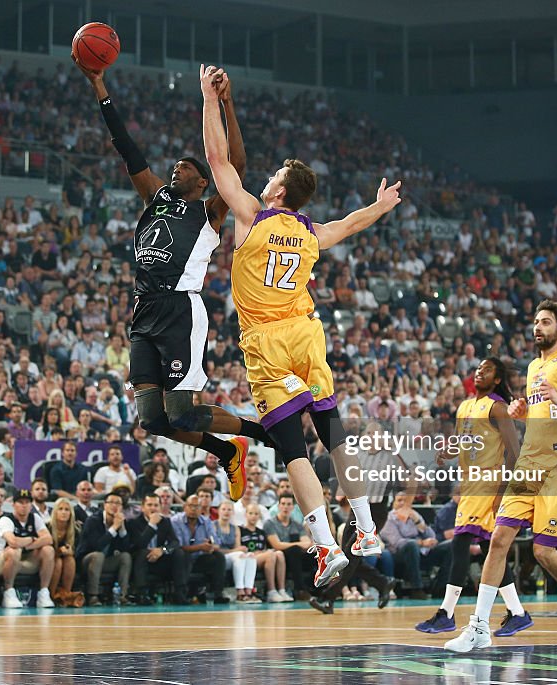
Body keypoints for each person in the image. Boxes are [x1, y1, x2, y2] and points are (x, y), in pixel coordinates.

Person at [200, 65, 401, 587]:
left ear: (280, 189)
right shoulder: (311, 232)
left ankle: (327, 546)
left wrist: (208, 98)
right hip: (307, 333)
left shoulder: (251, 215)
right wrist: (380, 206)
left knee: (293, 449)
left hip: (267, 340)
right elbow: (351, 223)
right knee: (334, 434)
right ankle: (364, 528)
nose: (265, 179)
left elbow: (218, 159)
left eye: (273, 177)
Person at [73, 52, 272, 505]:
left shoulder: (210, 210)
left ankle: (258, 433)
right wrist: (99, 87)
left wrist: (228, 105)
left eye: (187, 166)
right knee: (154, 421)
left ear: (204, 182)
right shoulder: (155, 196)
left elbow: (237, 167)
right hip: (144, 310)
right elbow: (127, 147)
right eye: (178, 165)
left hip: (182, 308)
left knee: (182, 412)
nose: (177, 167)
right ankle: (227, 452)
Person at [446, 299, 557, 652]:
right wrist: (524, 413)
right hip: (530, 464)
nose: (538, 327)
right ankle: (478, 627)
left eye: (546, 322)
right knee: (499, 539)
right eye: (536, 321)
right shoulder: (535, 365)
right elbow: (544, 413)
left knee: (543, 551)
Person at [416, 358, 532, 636]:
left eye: (487, 369)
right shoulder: (465, 406)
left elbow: (515, 454)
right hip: (469, 485)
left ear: (496, 380)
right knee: (492, 552)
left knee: (460, 543)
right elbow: (461, 443)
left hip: (488, 483)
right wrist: (447, 451)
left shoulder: (498, 408)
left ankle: (447, 612)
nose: (480, 371)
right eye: (479, 368)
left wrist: (502, 491)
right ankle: (517, 612)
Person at [0, 489, 55, 609]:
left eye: (27, 502)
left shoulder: (35, 518)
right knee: (13, 551)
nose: (24, 505)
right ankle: (8, 592)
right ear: (13, 504)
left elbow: (48, 539)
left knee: (48, 550)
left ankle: (44, 592)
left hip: (25, 561)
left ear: (31, 505)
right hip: (0, 563)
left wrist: (26, 545)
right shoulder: (6, 520)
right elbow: (13, 542)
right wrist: (32, 539)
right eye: (20, 502)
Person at [76, 490, 133, 606]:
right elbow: (96, 546)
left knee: (125, 557)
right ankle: (93, 596)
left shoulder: (122, 521)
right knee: (98, 555)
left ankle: (122, 595)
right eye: (111, 502)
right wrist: (114, 528)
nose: (114, 506)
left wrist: (121, 529)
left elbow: (127, 548)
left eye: (118, 503)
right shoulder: (93, 520)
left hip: (106, 560)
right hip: (86, 560)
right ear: (104, 505)